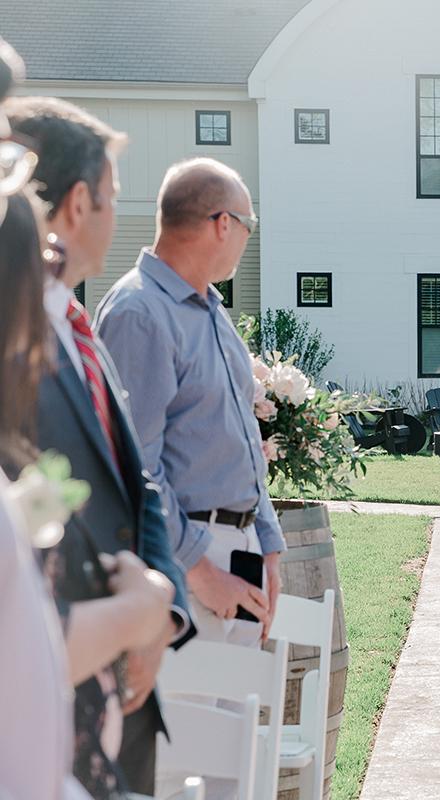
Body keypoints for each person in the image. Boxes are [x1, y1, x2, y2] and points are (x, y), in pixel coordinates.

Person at [6, 94, 193, 796]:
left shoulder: (82, 329)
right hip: (43, 695)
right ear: (79, 204)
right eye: (113, 199)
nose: (119, 220)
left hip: (131, 690)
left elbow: (137, 481)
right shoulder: (12, 341)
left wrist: (159, 614)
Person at [96, 157, 283, 655]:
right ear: (224, 224)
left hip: (240, 554)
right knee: (193, 729)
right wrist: (199, 573)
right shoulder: (138, 312)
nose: (249, 237)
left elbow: (242, 431)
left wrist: (267, 542)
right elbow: (135, 465)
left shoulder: (212, 312)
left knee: (238, 728)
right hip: (184, 563)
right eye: (250, 225)